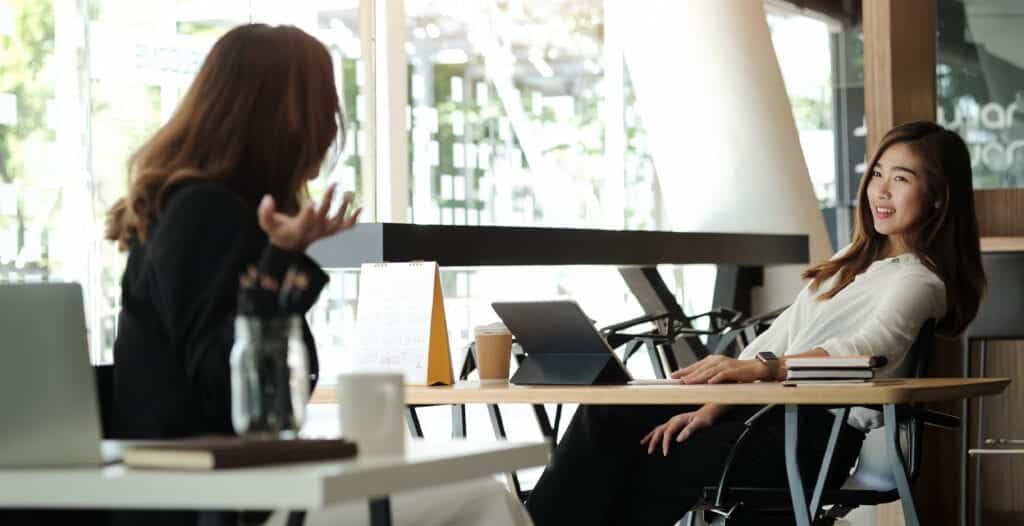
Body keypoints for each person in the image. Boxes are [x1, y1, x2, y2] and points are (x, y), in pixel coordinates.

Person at [106, 24, 531, 526]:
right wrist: (279, 262)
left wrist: (285, 258)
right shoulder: (204, 213)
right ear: (274, 118)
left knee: (474, 494)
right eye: (322, 105)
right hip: (218, 504)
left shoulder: (199, 211)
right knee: (484, 499)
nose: (332, 126)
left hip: (222, 493)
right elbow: (232, 393)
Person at [524, 121, 987, 526]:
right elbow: (774, 337)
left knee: (643, 459)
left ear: (938, 199)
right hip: (759, 419)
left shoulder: (920, 281)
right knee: (608, 413)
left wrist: (760, 371)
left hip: (810, 441)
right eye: (877, 174)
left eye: (901, 179)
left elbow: (866, 351)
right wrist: (711, 408)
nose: (879, 191)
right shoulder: (849, 264)